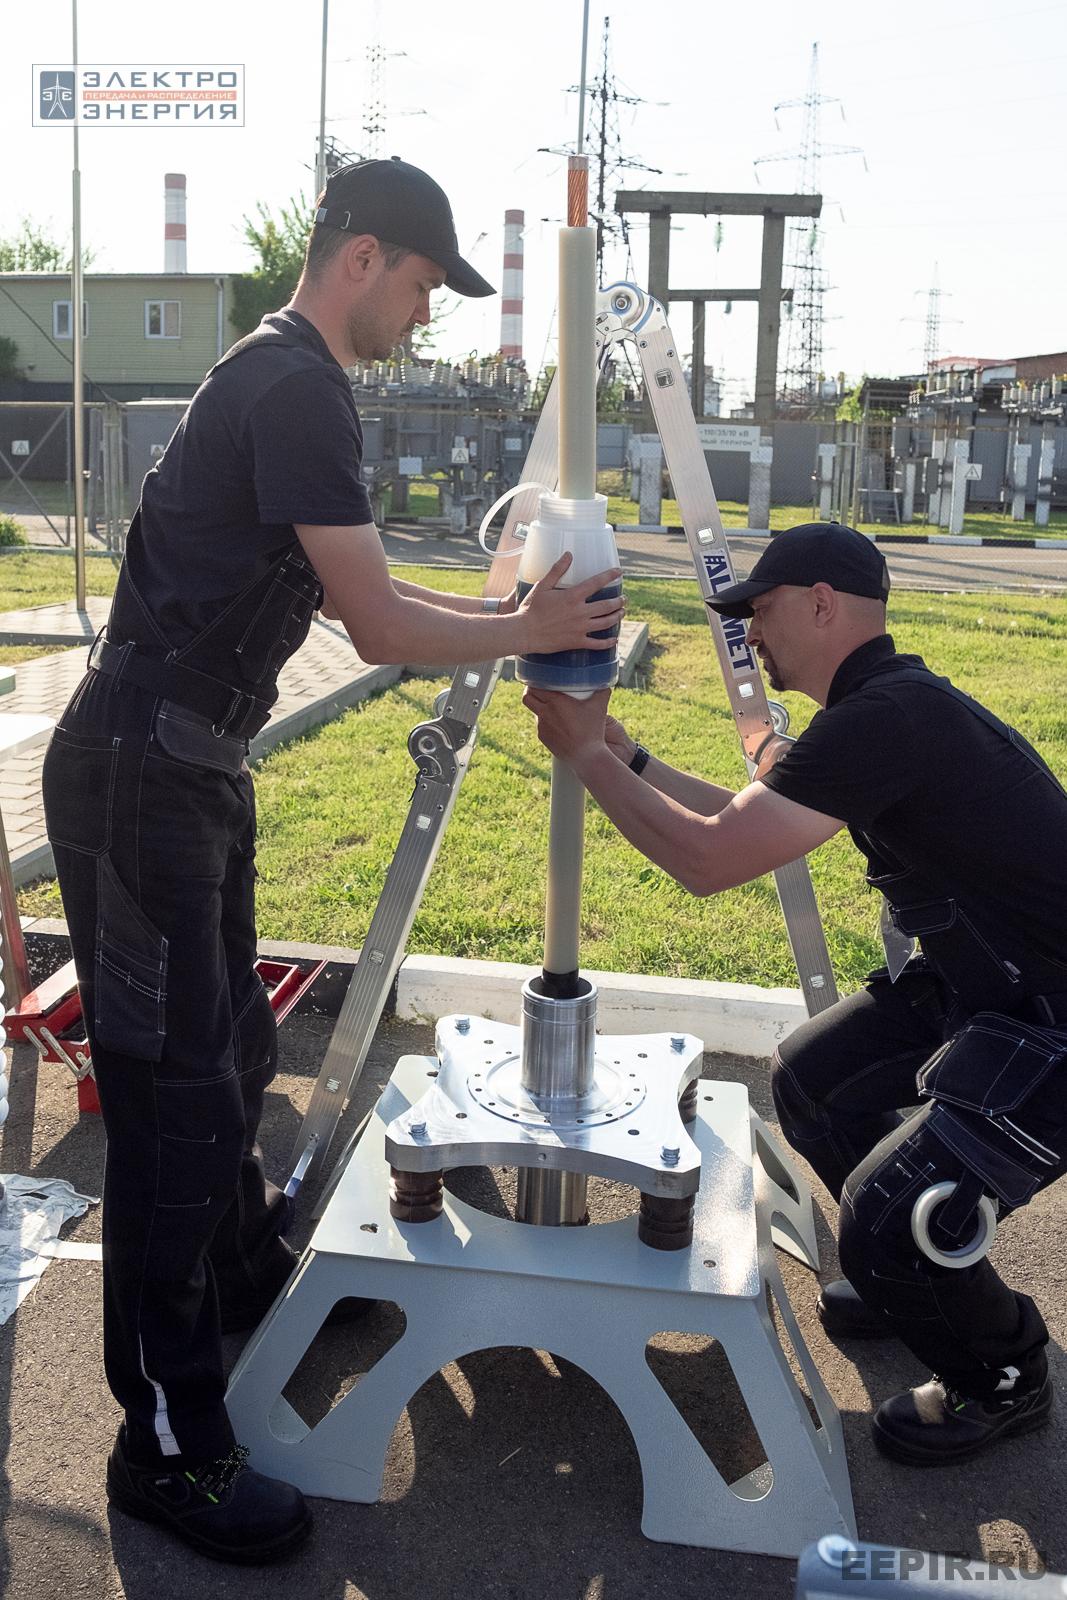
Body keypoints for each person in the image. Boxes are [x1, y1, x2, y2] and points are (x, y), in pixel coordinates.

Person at [41, 156, 623, 1564]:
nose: (426, 314)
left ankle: (240, 1282)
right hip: (142, 773)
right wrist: (531, 631)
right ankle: (165, 1446)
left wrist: (503, 616)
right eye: (425, 285)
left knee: (233, 1055)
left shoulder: (288, 378)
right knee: (178, 1113)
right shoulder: (293, 383)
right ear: (362, 256)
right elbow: (372, 622)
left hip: (185, 765)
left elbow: (373, 588)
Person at [523, 520, 1067, 1468]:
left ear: (821, 605)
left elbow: (707, 860)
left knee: (886, 1214)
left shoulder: (888, 718)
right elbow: (741, 820)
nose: (750, 636)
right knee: (813, 1079)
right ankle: (922, 1283)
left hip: (1052, 1027)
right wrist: (628, 755)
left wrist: (587, 757)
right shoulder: (882, 708)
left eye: (761, 612)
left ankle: (1003, 1373)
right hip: (990, 992)